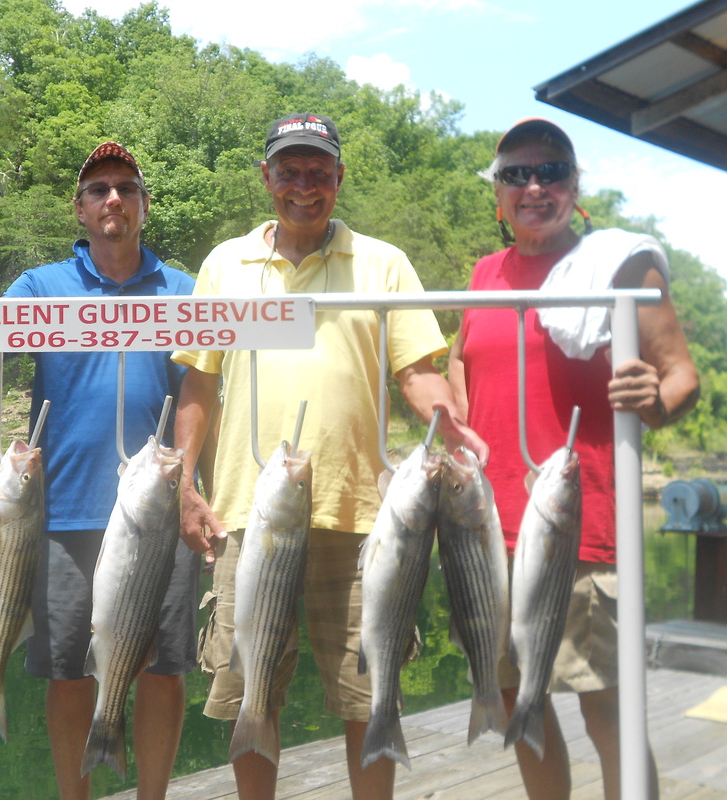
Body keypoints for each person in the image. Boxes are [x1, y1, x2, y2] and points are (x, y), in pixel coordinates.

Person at [171, 112, 488, 800]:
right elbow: (198, 377)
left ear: (340, 179)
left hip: (364, 517)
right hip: (245, 514)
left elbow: (416, 371)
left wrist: (447, 417)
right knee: (252, 692)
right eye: (290, 171)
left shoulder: (384, 263)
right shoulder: (225, 264)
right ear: (266, 178)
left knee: (367, 695)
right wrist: (183, 484)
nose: (304, 186)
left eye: (319, 172)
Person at [0, 141, 200, 800]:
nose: (113, 200)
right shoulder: (41, 287)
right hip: (64, 509)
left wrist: (193, 489)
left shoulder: (183, 290)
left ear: (144, 205)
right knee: (68, 669)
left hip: (159, 513)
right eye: (99, 189)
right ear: (80, 207)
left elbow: (202, 392)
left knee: (162, 669)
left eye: (126, 188)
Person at [447, 117, 700, 800]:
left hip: (581, 527)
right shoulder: (481, 276)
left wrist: (654, 396)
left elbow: (681, 377)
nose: (534, 186)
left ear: (575, 185)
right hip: (485, 534)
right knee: (515, 704)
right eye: (516, 174)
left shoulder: (617, 268)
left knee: (605, 708)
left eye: (550, 172)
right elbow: (462, 376)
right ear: (495, 192)